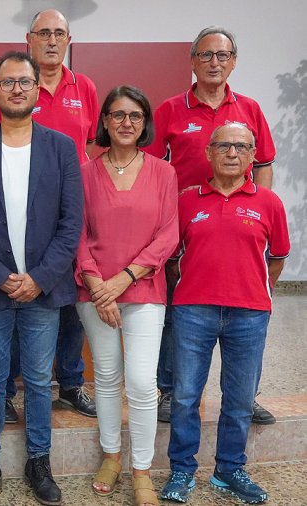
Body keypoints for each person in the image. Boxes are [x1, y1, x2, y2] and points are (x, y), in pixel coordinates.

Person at [0, 51, 82, 506]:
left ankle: (39, 460)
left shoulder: (61, 148)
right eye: (8, 82)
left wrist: (41, 277)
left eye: (24, 82)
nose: (17, 89)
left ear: (35, 91)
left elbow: (72, 224)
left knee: (37, 378)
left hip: (43, 290)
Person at [146, 26, 277, 425]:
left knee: (247, 317)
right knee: (177, 312)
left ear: (234, 61)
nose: (214, 63)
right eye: (205, 55)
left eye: (222, 55)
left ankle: (244, 394)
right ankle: (170, 391)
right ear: (192, 61)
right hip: (186, 227)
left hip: (241, 225)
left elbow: (265, 165)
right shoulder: (170, 109)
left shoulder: (251, 109)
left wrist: (262, 212)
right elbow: (151, 169)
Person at [160, 123, 289, 504]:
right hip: (192, 312)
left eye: (241, 147)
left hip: (249, 316)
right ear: (208, 153)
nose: (232, 153)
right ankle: (182, 471)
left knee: (239, 398)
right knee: (184, 396)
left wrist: (251, 289)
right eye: (224, 146)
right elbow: (171, 258)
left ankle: (228, 469)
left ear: (252, 156)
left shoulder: (269, 202)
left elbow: (277, 260)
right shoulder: (187, 200)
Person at [0, 9, 99, 418]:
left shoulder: (84, 87)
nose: (52, 40)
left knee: (67, 297)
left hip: (69, 215)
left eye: (59, 33)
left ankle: (69, 382)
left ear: (69, 40)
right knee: (17, 293)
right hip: (18, 222)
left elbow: (90, 148)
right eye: (44, 33)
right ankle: (10, 389)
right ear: (29, 38)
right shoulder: (9, 91)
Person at [75, 86, 178, 506]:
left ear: (144, 123)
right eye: (117, 115)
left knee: (140, 381)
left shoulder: (163, 173)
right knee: (106, 377)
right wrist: (100, 285)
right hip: (94, 290)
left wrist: (124, 279)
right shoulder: (84, 173)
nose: (125, 123)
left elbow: (168, 233)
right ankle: (112, 456)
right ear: (104, 122)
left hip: (144, 288)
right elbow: (76, 233)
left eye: (134, 116)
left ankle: (141, 469)